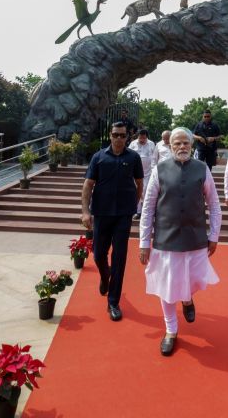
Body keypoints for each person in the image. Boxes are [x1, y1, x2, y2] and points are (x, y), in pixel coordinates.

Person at [138, 127, 222, 357]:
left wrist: (214, 235)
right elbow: (148, 207)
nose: (182, 146)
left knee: (192, 280)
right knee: (167, 286)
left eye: (186, 142)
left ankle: (187, 299)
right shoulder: (160, 170)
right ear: (170, 145)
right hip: (166, 239)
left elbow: (214, 204)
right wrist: (144, 241)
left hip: (195, 238)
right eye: (177, 143)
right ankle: (171, 330)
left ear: (191, 145)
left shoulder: (202, 169)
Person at [82, 122, 144, 321]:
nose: (119, 138)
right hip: (101, 213)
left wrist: (133, 204)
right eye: (115, 135)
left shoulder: (133, 158)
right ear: (110, 135)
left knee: (119, 257)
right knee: (99, 253)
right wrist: (85, 212)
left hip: (123, 216)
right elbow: (88, 185)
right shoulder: (98, 157)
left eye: (122, 135)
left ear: (127, 137)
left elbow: (139, 183)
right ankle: (104, 275)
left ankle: (113, 302)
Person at [128, 129, 158, 219]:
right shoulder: (133, 143)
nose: (142, 140)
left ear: (146, 137)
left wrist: (154, 170)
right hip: (135, 173)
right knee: (136, 191)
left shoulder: (151, 144)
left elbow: (155, 157)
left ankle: (146, 211)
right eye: (140, 138)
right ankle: (137, 211)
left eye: (144, 138)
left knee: (146, 191)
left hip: (148, 173)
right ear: (138, 136)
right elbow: (128, 155)